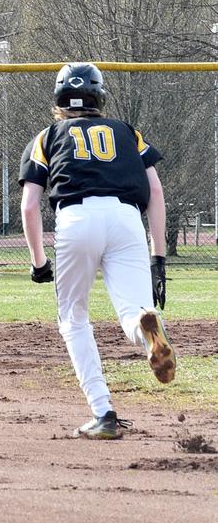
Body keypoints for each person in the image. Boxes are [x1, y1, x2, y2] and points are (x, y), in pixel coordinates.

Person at [18, 62, 176, 439]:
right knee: (132, 310)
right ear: (99, 95)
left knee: (73, 319)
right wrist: (158, 256)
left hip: (77, 218)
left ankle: (103, 412)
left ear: (58, 97)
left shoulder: (48, 135)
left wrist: (39, 262)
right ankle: (145, 329)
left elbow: (29, 205)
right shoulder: (126, 132)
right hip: (126, 220)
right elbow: (155, 193)